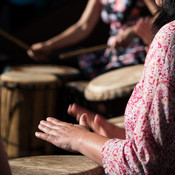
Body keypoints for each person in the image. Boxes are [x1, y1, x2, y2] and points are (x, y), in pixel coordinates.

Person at [35, 0, 175, 173]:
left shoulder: (169, 37)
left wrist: (80, 139)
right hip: (121, 55)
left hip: (139, 54)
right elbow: (83, 25)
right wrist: (48, 46)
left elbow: (147, 162)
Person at [27, 0, 158, 79]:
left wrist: (133, 31)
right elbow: (83, 26)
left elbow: (164, 17)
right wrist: (49, 46)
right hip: (112, 52)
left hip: (140, 50)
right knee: (65, 64)